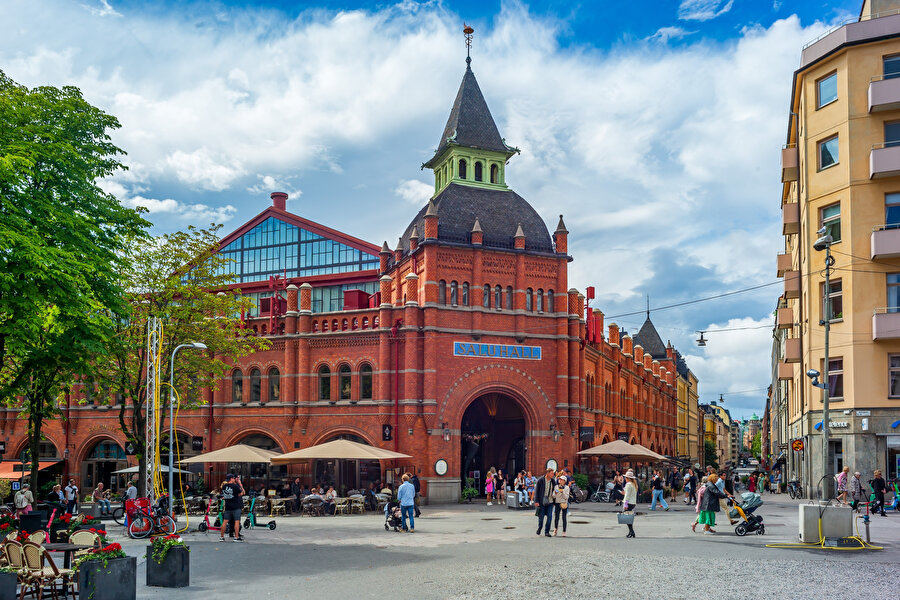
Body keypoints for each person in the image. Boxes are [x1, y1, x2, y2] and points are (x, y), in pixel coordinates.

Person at [220, 473, 245, 542]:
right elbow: (241, 493)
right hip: (236, 506)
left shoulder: (224, 486)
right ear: (231, 479)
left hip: (228, 506)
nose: (234, 479)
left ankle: (221, 537)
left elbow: (224, 495)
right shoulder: (235, 486)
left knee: (225, 522)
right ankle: (236, 537)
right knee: (237, 521)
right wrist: (240, 485)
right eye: (234, 478)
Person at [534, 468, 555, 537]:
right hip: (541, 501)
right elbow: (536, 491)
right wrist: (536, 501)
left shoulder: (553, 481)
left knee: (549, 517)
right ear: (547, 473)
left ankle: (547, 531)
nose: (553, 474)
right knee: (541, 517)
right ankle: (539, 528)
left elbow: (555, 490)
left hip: (550, 501)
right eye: (552, 473)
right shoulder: (540, 480)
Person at [622, 470, 638, 538]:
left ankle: (632, 532)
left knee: (627, 518)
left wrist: (625, 504)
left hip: (629, 503)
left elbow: (627, 495)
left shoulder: (628, 484)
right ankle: (631, 532)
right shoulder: (633, 484)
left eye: (626, 478)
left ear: (628, 478)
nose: (625, 479)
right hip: (633, 502)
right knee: (629, 518)